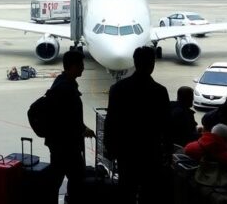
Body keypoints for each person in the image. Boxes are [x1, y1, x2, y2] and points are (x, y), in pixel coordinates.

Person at [104, 46, 172, 204]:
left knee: (126, 190)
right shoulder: (160, 91)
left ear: (134, 62)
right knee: (149, 193)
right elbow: (166, 125)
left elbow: (111, 122)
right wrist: (168, 151)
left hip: (126, 152)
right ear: (152, 64)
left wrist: (110, 148)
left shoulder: (118, 89)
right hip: (150, 153)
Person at [44, 50, 94, 203]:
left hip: (59, 143)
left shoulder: (60, 82)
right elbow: (68, 119)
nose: (83, 68)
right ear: (72, 66)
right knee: (77, 179)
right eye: (81, 65)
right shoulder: (67, 89)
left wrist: (82, 128)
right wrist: (82, 129)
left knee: (58, 179)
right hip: (66, 146)